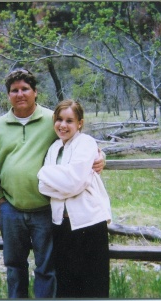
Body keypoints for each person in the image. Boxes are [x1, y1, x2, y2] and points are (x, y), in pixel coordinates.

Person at [0, 69, 106, 298]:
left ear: (35, 92)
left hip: (45, 210)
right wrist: (0, 198)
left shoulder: (52, 120)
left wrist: (101, 156)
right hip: (10, 208)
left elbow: (79, 141)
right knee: (14, 266)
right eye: (14, 90)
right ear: (8, 95)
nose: (20, 94)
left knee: (46, 268)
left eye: (25, 89)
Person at [37, 99, 112, 298]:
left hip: (89, 223)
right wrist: (55, 179)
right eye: (59, 119)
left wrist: (46, 174)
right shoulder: (54, 148)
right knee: (67, 283)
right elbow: (43, 186)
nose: (63, 125)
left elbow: (73, 182)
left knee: (93, 284)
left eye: (69, 120)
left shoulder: (86, 143)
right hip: (61, 224)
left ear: (79, 123)